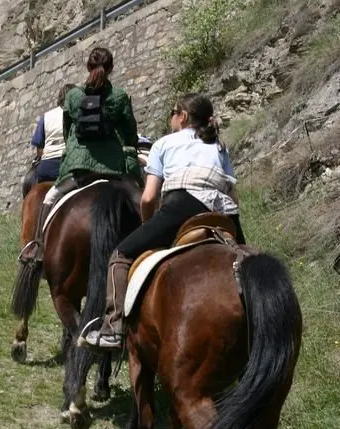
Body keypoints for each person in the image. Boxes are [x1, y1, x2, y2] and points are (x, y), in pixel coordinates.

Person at [81, 92, 246, 350]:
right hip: (223, 212)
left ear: (182, 116)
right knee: (246, 262)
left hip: (182, 207)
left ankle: (112, 327)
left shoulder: (163, 144)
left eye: (172, 112)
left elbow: (148, 198)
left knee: (120, 255)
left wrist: (149, 226)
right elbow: (233, 194)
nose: (171, 117)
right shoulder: (219, 146)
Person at [21, 46, 142, 264]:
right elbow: (130, 133)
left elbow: (68, 131)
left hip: (79, 171)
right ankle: (152, 246)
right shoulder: (120, 96)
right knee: (140, 200)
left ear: (88, 66)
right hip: (113, 169)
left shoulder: (74, 96)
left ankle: (37, 247)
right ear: (111, 68)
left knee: (48, 199)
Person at [22, 83, 75, 198]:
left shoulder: (46, 117)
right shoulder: (77, 115)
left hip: (47, 167)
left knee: (31, 179)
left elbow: (39, 147)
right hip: (69, 166)